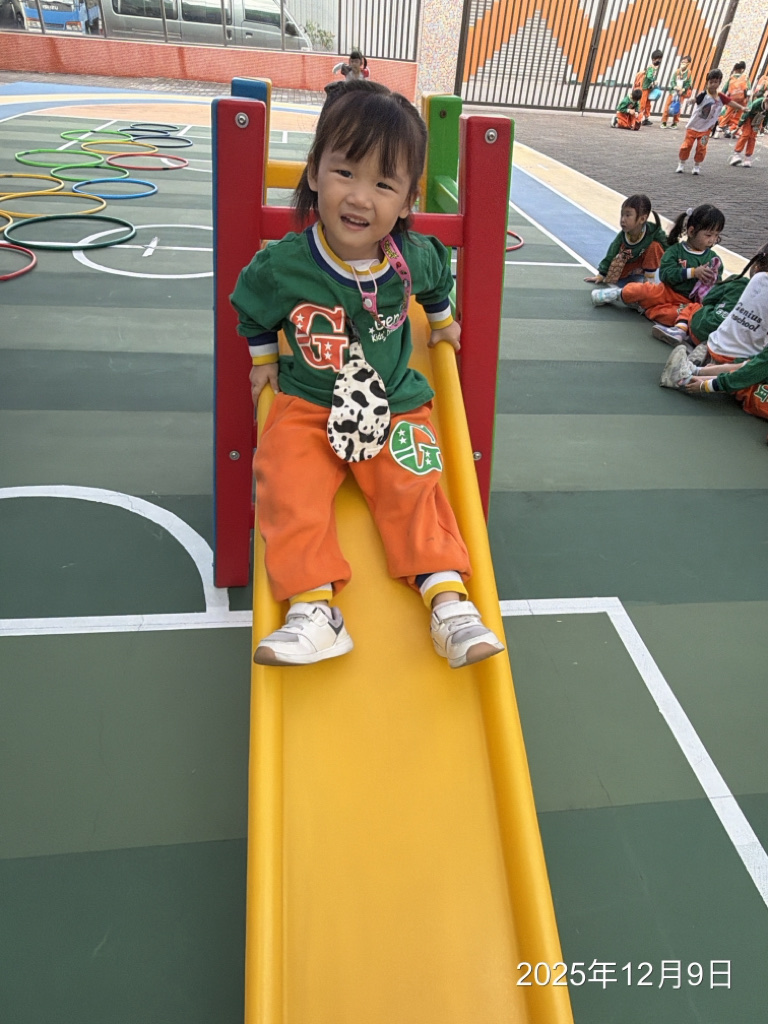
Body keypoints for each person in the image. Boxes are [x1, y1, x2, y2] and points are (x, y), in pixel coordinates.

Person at [230, 80, 505, 670]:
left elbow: (437, 280)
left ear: (406, 201)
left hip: (394, 400)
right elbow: (250, 304)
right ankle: (314, 610)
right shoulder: (284, 265)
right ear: (313, 172)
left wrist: (444, 323)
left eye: (383, 184)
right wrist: (263, 361)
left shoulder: (412, 257)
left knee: (415, 484)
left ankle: (448, 603)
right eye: (344, 172)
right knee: (286, 482)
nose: (359, 197)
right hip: (309, 399)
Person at [591, 204, 723, 326]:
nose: (712, 240)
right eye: (708, 235)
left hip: (686, 303)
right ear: (691, 231)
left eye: (716, 235)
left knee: (677, 316)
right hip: (665, 291)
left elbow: (716, 286)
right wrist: (693, 272)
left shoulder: (713, 260)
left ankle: (647, 308)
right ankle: (617, 294)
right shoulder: (675, 251)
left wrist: (712, 282)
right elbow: (665, 274)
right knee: (641, 290)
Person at [659, 244, 768, 389]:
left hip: (713, 343)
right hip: (738, 360)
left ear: (757, 265)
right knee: (753, 372)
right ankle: (691, 377)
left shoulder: (757, 278)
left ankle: (693, 359)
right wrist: (709, 386)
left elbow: (707, 300)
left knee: (694, 307)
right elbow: (758, 366)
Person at [584, 194, 667, 287]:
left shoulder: (654, 231)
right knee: (615, 270)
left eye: (628, 215)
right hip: (628, 264)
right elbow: (611, 254)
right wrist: (601, 275)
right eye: (622, 215)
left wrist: (676, 261)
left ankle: (649, 282)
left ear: (642, 219)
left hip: (642, 264)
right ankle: (629, 277)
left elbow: (668, 247)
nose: (622, 219)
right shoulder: (622, 236)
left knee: (655, 246)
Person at [675, 68, 744, 174]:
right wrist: (691, 101)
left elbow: (730, 102)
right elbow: (696, 99)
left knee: (701, 148)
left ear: (719, 82)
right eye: (711, 82)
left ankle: (697, 166)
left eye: (716, 82)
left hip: (706, 129)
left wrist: (742, 108)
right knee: (686, 146)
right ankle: (681, 163)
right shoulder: (703, 94)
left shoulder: (721, 97)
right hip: (693, 127)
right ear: (707, 82)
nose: (713, 85)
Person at [729, 92, 768, 168]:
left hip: (758, 121)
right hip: (749, 118)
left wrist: (763, 126)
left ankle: (748, 157)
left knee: (752, 138)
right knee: (745, 135)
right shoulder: (757, 103)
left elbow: (766, 117)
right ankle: (736, 154)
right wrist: (739, 125)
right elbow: (746, 113)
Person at [716, 61, 750, 137]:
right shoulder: (745, 78)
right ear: (742, 69)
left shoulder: (731, 77)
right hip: (742, 100)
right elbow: (748, 90)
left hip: (732, 100)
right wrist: (748, 100)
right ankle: (733, 129)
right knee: (738, 115)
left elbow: (725, 88)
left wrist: (721, 96)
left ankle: (720, 127)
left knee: (727, 114)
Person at [661, 55, 693, 128]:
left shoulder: (688, 73)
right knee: (667, 106)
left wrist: (683, 89)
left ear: (688, 63)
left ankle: (675, 122)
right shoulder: (677, 71)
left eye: (685, 62)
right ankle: (664, 121)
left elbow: (688, 83)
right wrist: (675, 86)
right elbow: (672, 81)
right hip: (673, 92)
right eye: (682, 62)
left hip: (681, 93)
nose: (683, 63)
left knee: (677, 107)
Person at [633, 49, 663, 125]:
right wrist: (654, 81)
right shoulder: (651, 68)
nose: (659, 61)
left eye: (660, 59)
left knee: (647, 104)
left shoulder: (653, 68)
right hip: (644, 88)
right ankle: (638, 119)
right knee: (642, 104)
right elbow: (649, 76)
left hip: (648, 88)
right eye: (658, 59)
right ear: (653, 59)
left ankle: (646, 119)